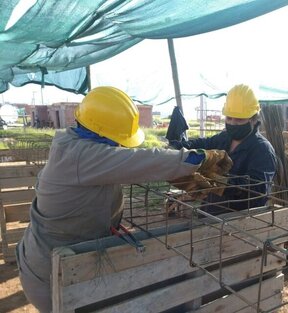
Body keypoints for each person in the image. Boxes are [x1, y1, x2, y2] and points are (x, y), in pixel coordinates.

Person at [16, 86, 232, 313]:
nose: (120, 145)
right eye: (117, 140)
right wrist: (197, 158)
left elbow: (120, 170)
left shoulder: (75, 145)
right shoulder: (80, 156)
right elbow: (140, 159)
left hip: (59, 261)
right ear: (101, 131)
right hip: (53, 279)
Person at [170, 84, 277, 214]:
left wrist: (223, 184)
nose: (232, 123)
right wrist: (176, 146)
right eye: (229, 118)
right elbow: (201, 143)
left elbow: (258, 190)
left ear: (253, 119)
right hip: (210, 213)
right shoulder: (224, 138)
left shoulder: (262, 150)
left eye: (239, 119)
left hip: (240, 220)